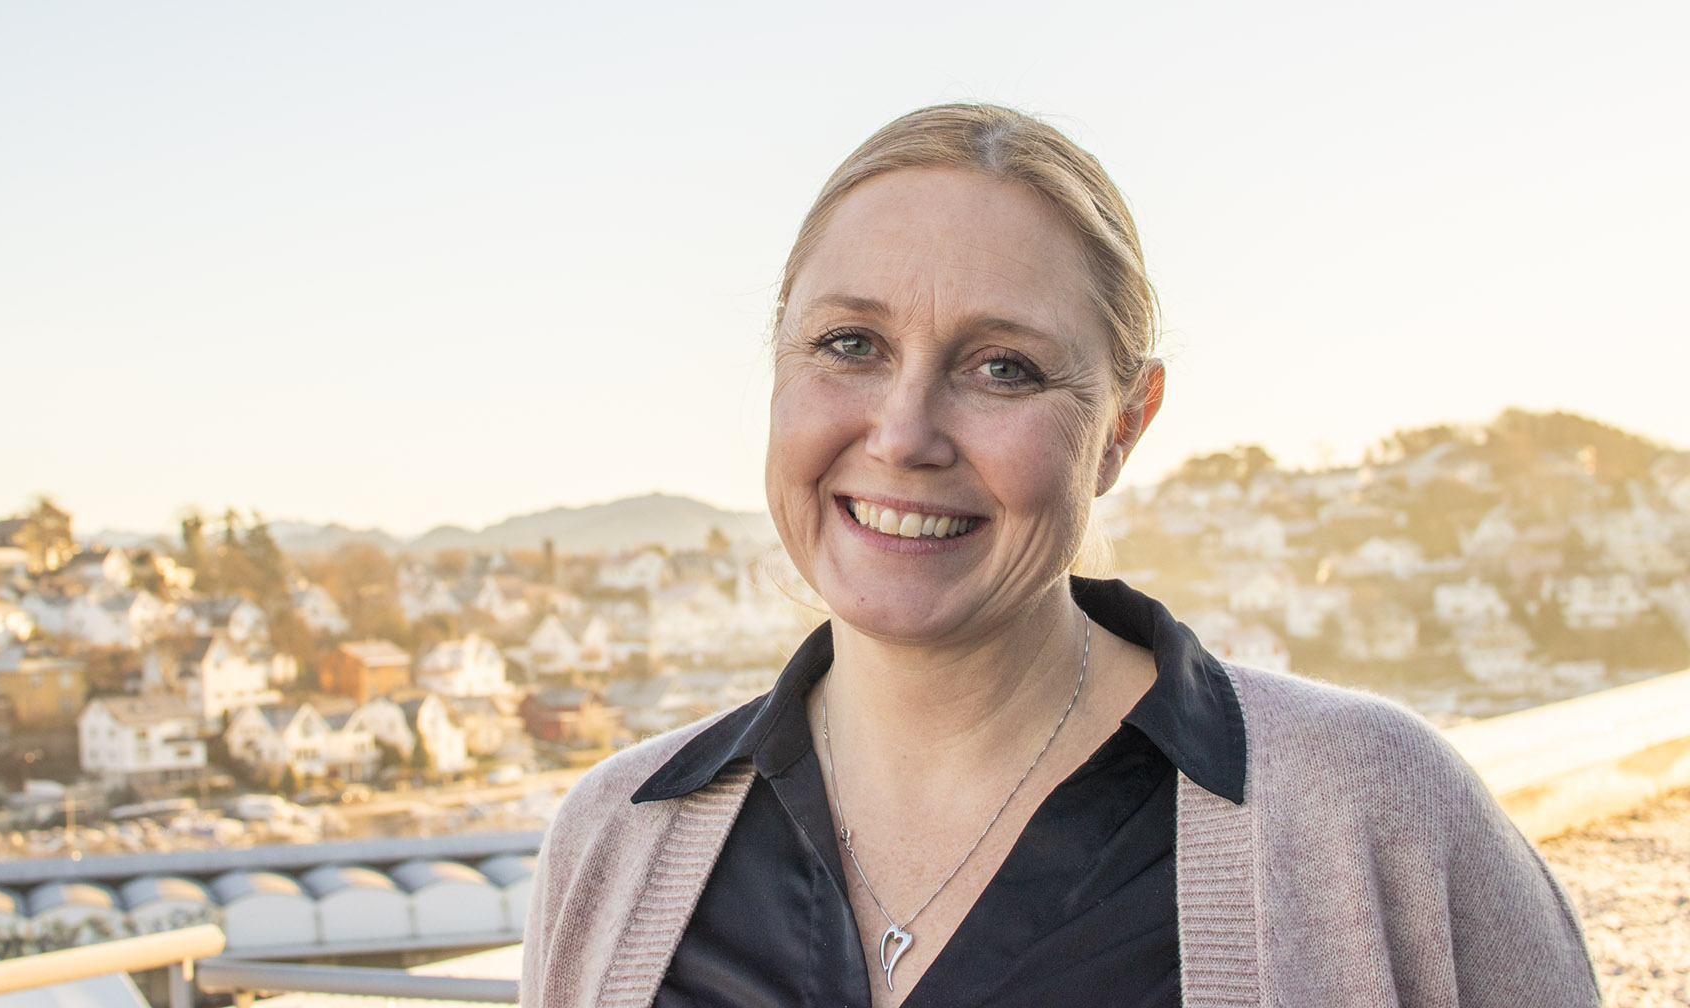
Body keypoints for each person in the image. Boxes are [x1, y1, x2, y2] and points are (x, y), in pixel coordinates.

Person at [521, 104, 1598, 1007]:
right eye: (850, 345)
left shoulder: (1371, 814)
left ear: (1124, 426)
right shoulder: (615, 841)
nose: (903, 434)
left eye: (1003, 367)